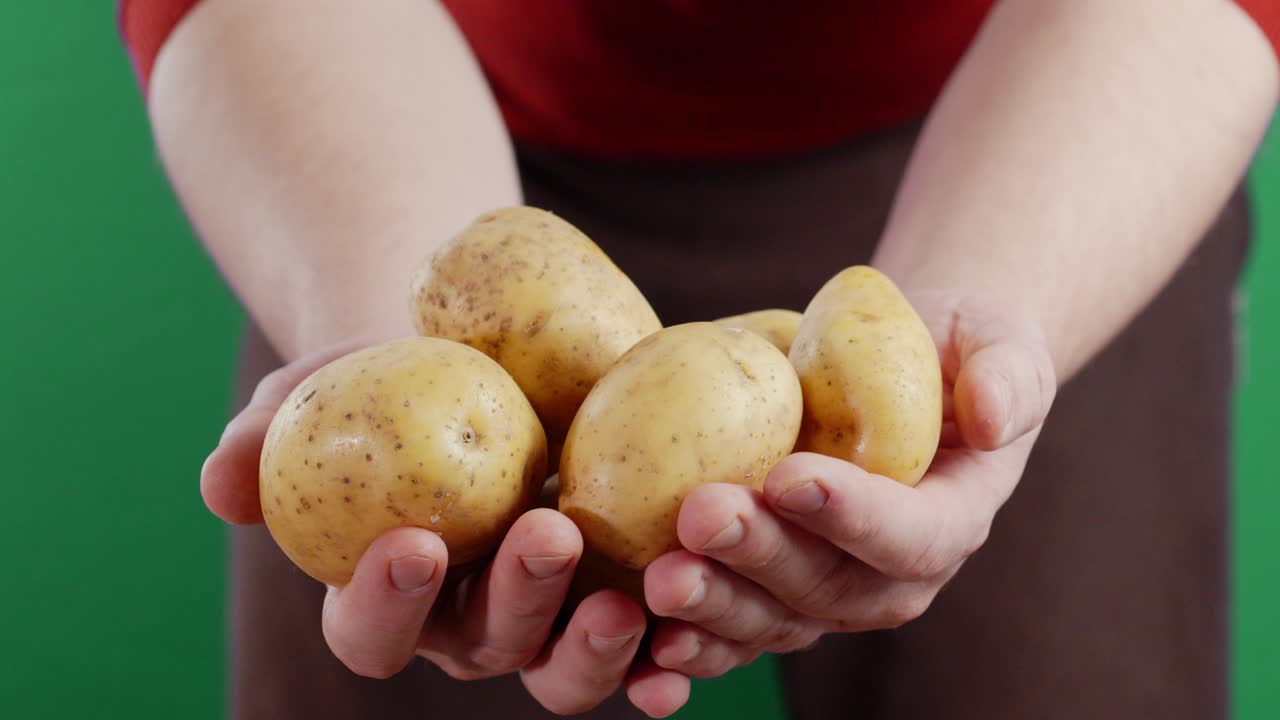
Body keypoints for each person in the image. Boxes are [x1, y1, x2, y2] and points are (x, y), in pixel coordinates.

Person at [120, 1, 1278, 718]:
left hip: (1049, 132)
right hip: (385, 146)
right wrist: (404, 324)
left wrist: (988, 310)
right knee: (422, 585)